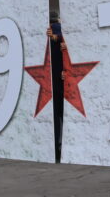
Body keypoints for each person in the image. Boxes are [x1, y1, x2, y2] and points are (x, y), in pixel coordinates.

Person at [47, 10, 67, 162]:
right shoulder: (60, 30)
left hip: (51, 80)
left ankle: (57, 146)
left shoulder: (53, 30)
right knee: (61, 113)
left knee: (56, 115)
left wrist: (55, 37)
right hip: (61, 78)